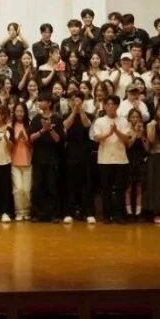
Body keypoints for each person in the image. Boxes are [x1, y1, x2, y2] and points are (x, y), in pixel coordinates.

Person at [91, 95, 131, 224]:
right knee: (106, 189)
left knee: (120, 189)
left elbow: (127, 139)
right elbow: (96, 138)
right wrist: (109, 133)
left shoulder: (123, 121)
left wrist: (116, 131)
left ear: (117, 106)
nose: (110, 106)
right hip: (104, 160)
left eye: (113, 104)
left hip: (121, 160)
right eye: (108, 104)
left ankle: (120, 215)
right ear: (104, 106)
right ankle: (107, 216)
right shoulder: (100, 121)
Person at [29, 93, 65, 222]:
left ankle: (53, 214)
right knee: (38, 186)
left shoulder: (57, 119)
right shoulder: (36, 119)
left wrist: (50, 129)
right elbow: (31, 138)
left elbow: (58, 139)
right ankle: (38, 214)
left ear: (49, 103)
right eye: (38, 101)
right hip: (38, 158)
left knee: (52, 186)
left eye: (42, 101)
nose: (39, 103)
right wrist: (43, 130)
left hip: (52, 158)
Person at [62, 91, 95, 224]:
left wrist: (80, 110)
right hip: (70, 151)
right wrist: (74, 111)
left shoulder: (89, 115)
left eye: (77, 100)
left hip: (85, 151)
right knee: (70, 182)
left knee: (86, 182)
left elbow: (86, 125)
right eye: (72, 100)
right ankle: (69, 212)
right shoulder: (65, 115)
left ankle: (88, 212)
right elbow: (66, 125)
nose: (75, 103)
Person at [124, 107, 148, 220]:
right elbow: (128, 145)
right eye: (133, 117)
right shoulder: (127, 131)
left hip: (140, 161)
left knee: (139, 188)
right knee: (128, 188)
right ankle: (129, 212)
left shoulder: (144, 131)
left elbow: (147, 148)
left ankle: (138, 212)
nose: (135, 119)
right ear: (129, 118)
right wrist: (134, 134)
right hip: (128, 160)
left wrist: (141, 135)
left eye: (137, 117)